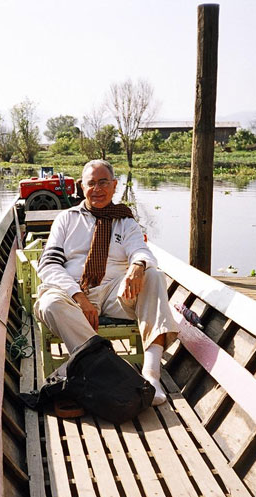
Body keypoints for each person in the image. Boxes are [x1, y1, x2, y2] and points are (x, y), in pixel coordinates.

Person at [34, 159, 179, 405]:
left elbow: (141, 250)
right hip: (72, 291)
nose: (97, 189)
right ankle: (113, 369)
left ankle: (151, 374)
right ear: (81, 187)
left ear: (114, 186)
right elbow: (48, 265)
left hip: (113, 292)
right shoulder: (66, 219)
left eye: (103, 183)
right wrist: (78, 296)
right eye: (91, 184)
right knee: (49, 305)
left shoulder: (125, 221)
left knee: (153, 274)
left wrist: (137, 266)